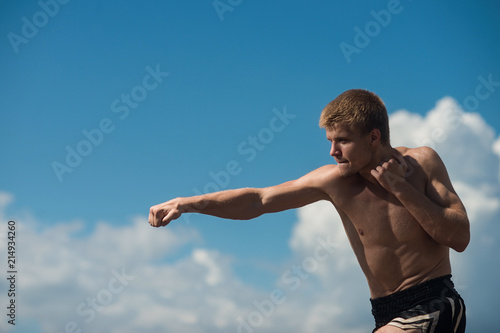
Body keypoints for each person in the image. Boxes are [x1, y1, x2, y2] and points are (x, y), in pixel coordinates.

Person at [148, 89, 470, 332]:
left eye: (342, 141)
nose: (332, 151)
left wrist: (399, 187)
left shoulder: (422, 163)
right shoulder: (335, 181)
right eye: (329, 141)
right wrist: (185, 204)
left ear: (374, 137)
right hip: (384, 312)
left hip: (435, 301)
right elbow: (257, 200)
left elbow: (459, 236)